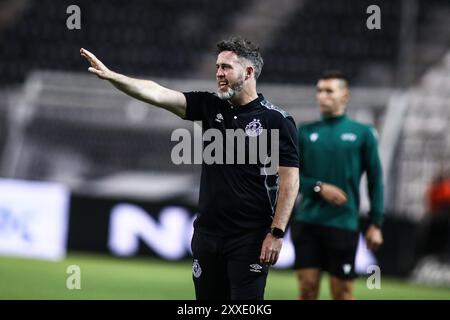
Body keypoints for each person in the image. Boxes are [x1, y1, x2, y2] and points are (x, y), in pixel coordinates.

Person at [80, 36, 299, 300]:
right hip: (206, 235)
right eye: (217, 67)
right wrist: (113, 77)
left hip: (249, 238)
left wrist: (276, 233)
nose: (218, 73)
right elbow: (158, 93)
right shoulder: (209, 106)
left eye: (226, 67)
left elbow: (290, 181)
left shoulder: (276, 120)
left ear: (249, 71)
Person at [290, 70, 384, 300]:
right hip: (308, 221)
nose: (322, 96)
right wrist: (319, 187)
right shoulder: (305, 132)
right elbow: (290, 177)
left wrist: (376, 223)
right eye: (319, 91)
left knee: (342, 293)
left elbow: (375, 179)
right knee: (307, 289)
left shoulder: (363, 134)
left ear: (345, 95)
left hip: (343, 223)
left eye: (329, 91)